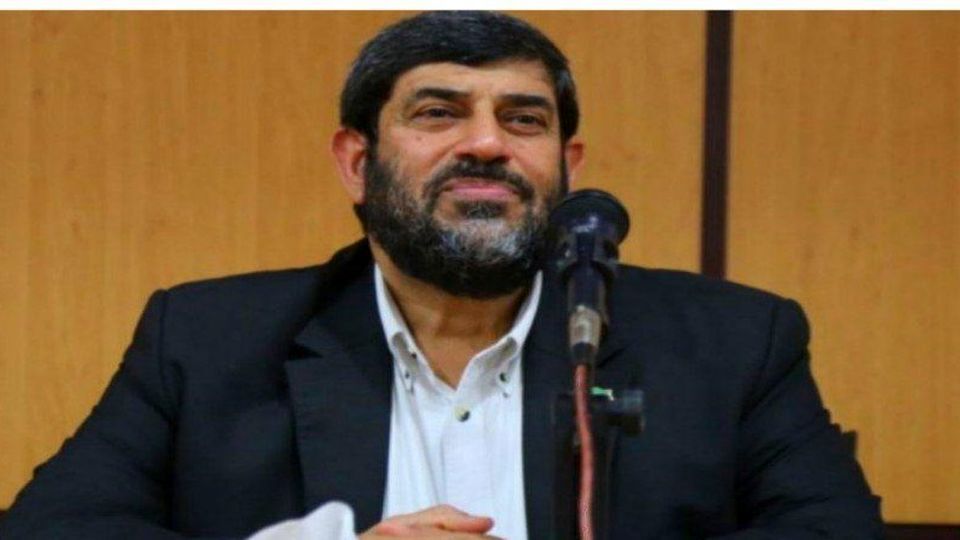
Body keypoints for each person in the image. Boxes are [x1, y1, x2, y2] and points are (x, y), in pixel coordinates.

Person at [0, 11, 882, 540]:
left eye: (523, 120)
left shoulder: (734, 342)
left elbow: (832, 531)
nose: (487, 143)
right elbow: (54, 531)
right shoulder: (205, 341)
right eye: (438, 113)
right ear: (358, 163)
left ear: (566, 166)